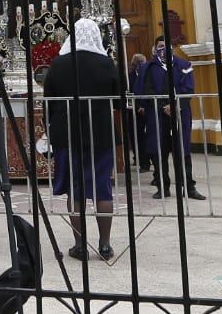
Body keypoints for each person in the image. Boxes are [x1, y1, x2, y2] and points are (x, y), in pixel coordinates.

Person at [45, 18, 122, 261]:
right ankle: (105, 244)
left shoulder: (58, 64)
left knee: (75, 191)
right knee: (102, 189)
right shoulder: (106, 63)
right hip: (99, 133)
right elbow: (119, 99)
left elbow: (49, 100)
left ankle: (80, 245)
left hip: (67, 135)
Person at [143, 39, 204, 200]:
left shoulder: (183, 65)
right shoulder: (150, 67)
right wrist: (163, 105)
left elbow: (188, 88)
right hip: (158, 114)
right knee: (159, 151)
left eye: (166, 46)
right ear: (155, 49)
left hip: (180, 114)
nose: (163, 49)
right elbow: (147, 89)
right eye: (160, 47)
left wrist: (175, 105)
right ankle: (163, 187)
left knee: (182, 150)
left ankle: (189, 187)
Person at [127, 52, 151, 176]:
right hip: (135, 112)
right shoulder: (129, 77)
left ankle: (149, 160)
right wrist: (138, 107)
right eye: (139, 63)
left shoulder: (148, 75)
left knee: (149, 137)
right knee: (138, 138)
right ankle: (142, 162)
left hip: (148, 109)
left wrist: (145, 106)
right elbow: (129, 94)